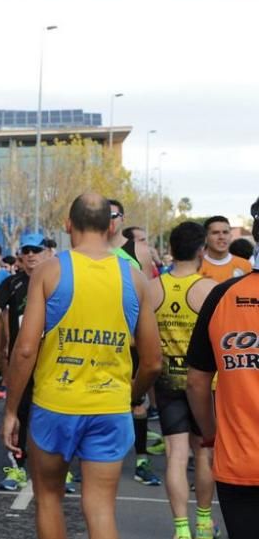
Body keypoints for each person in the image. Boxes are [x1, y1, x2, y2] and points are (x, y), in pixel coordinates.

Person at [3, 194, 161, 539]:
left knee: (49, 498)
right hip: (109, 409)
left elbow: (26, 348)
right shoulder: (134, 276)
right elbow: (152, 361)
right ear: (112, 228)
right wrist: (130, 396)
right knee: (101, 508)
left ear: (68, 224)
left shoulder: (52, 271)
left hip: (56, 405)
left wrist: (12, 410)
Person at [186, 197, 259, 539]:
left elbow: (197, 383)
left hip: (240, 458)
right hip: (238, 459)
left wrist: (211, 435)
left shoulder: (224, 296)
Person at [145, 222, 217, 539]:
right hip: (204, 383)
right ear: (202, 249)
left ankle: (182, 532)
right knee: (203, 452)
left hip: (168, 382)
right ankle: (203, 523)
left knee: (176, 456)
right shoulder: (209, 290)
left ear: (171, 248)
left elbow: (139, 338)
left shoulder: (152, 288)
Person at [0, 233, 50, 491]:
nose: (30, 255)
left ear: (45, 253)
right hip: (22, 362)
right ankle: (15, 469)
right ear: (20, 255)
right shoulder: (12, 283)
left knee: (51, 416)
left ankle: (58, 472)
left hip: (52, 362)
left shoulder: (57, 283)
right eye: (26, 250)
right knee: (17, 414)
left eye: (35, 250)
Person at [108, 199, 160, 485]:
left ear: (121, 218)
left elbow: (148, 298)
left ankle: (141, 460)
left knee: (136, 402)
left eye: (112, 215)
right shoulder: (92, 251)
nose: (107, 220)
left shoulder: (137, 251)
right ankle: (79, 463)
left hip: (131, 341)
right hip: (102, 341)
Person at [199, 215, 251, 283]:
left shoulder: (246, 265)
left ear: (230, 236)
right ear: (205, 238)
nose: (221, 237)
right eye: (215, 233)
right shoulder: (196, 266)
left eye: (225, 232)